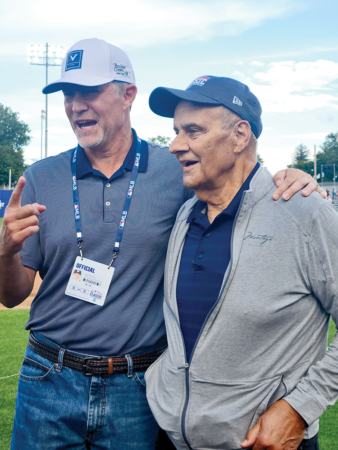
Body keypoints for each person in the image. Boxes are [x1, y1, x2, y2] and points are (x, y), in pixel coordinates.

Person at [0, 39, 324, 450]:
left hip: (136, 388)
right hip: (48, 376)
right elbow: (11, 297)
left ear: (127, 95)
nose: (76, 105)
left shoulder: (178, 171)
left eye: (90, 91)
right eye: (69, 94)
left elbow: (240, 180)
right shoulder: (41, 176)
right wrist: (6, 251)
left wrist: (292, 176)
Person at [145, 76, 338, 450]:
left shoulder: (305, 212)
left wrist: (300, 408)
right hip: (171, 438)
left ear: (239, 135)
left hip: (263, 443)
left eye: (192, 131)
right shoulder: (185, 215)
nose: (174, 145)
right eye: (175, 131)